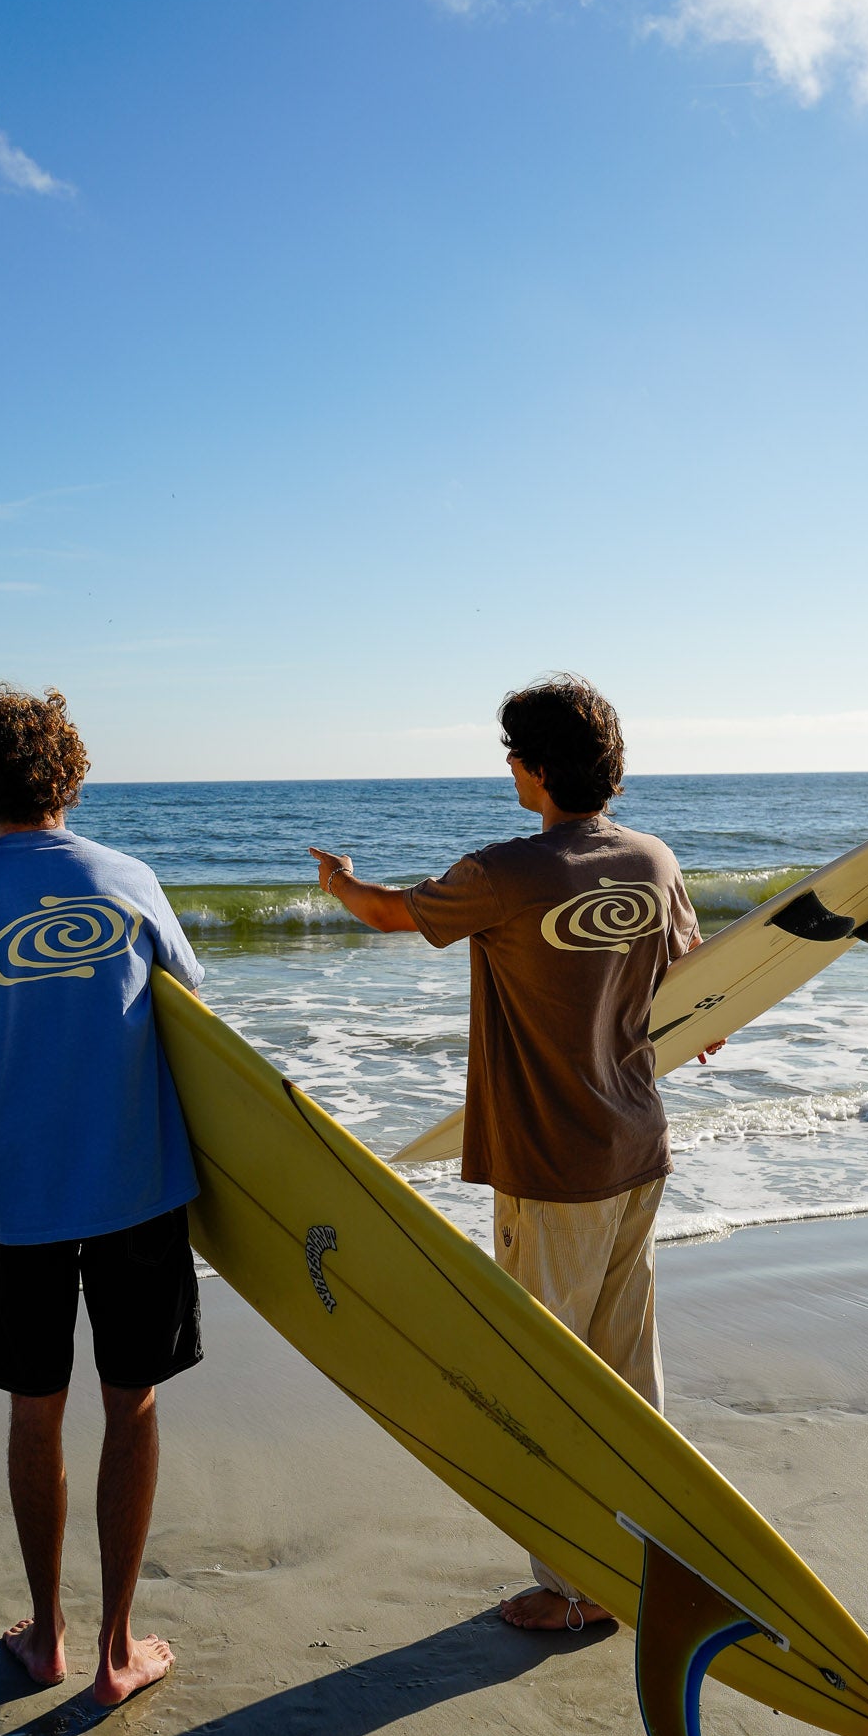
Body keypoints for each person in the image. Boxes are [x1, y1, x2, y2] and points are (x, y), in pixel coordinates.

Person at [310, 673, 719, 1633]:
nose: (507, 768)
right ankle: (647, 1552)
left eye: (511, 754)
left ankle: (573, 1588)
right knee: (627, 1367)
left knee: (544, 1376)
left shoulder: (507, 872)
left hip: (552, 1161)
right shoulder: (653, 860)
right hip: (637, 1144)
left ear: (535, 768)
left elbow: (386, 914)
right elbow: (702, 991)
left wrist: (337, 881)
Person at [0, 684, 205, 1704]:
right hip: (142, 1196)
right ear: (70, 773)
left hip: (19, 1208)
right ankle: (116, 1652)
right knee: (132, 1405)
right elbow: (199, 1035)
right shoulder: (130, 880)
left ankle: (48, 1637)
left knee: (36, 1414)